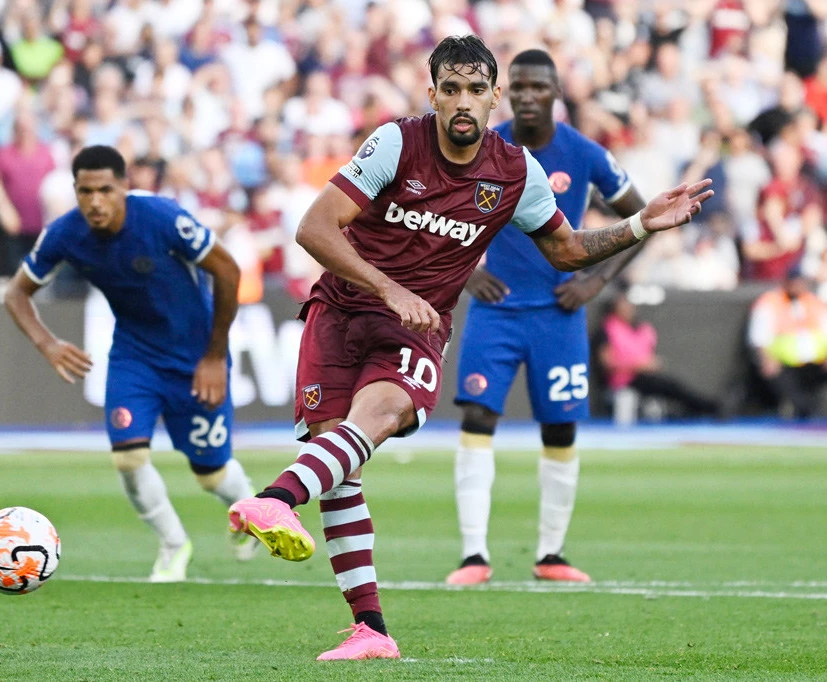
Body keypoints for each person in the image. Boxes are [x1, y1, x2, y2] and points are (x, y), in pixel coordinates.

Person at [227, 35, 714, 661]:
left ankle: (272, 500)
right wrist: (386, 285)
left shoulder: (516, 173)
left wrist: (640, 224)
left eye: (475, 90)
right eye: (450, 89)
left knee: (373, 421)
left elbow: (565, 250)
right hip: (340, 311)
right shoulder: (397, 143)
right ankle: (371, 630)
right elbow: (315, 226)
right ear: (431, 94)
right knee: (336, 463)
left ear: (493, 99)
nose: (463, 102)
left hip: (414, 325)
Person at [3, 145, 260, 582]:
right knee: (127, 458)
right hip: (134, 356)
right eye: (86, 191)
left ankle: (250, 509)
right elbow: (16, 294)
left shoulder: (162, 218)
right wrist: (47, 344)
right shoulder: (64, 233)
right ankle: (173, 545)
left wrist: (215, 356)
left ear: (124, 186)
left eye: (105, 189)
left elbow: (228, 271)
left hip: (196, 356)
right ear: (75, 191)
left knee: (211, 474)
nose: (95, 201)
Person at [446, 49, 647, 587]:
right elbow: (437, 213)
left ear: (557, 93)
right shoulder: (483, 146)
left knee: (559, 426)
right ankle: (473, 557)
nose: (529, 96)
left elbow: (643, 217)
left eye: (539, 87)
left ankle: (551, 554)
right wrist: (466, 273)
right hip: (496, 311)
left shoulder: (584, 153)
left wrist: (596, 282)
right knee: (477, 419)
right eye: (520, 87)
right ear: (506, 92)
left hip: (558, 314)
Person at [597, 284, 721, 419]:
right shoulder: (607, 328)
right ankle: (709, 407)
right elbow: (607, 363)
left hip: (645, 378)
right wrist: (638, 365)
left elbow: (648, 356)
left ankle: (704, 408)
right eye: (623, 303)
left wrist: (651, 365)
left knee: (672, 385)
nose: (628, 308)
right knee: (668, 386)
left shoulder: (643, 329)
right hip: (623, 381)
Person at [748, 267, 827, 418]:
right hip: (785, 366)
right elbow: (758, 338)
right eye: (794, 282)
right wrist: (767, 359)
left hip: (815, 364)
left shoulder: (813, 302)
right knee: (801, 404)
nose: (798, 285)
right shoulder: (771, 302)